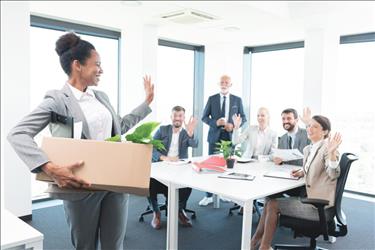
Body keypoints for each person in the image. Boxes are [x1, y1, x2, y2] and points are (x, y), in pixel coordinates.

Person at [7, 32, 154, 249]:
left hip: (114, 183)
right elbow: (17, 134)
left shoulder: (101, 97)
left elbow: (119, 127)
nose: (101, 69)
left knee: (114, 245)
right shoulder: (57, 100)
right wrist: (49, 168)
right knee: (85, 246)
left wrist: (146, 103)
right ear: (78, 65)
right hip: (80, 187)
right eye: (97, 64)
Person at [251, 115, 342, 250]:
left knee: (273, 205)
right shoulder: (309, 149)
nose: (310, 129)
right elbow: (314, 167)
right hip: (310, 196)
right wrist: (303, 172)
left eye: (315, 126)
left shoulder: (327, 148)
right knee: (270, 200)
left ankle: (263, 246)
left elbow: (333, 173)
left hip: (320, 207)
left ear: (325, 132)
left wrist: (333, 152)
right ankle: (256, 243)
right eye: (309, 126)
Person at [199, 75, 247, 206]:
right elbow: (204, 117)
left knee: (227, 166)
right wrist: (215, 122)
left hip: (230, 136)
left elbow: (244, 118)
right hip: (214, 136)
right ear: (218, 83)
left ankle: (224, 193)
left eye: (226, 82)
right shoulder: (212, 98)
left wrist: (233, 125)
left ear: (231, 84)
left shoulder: (237, 100)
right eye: (222, 82)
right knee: (211, 165)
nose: (224, 84)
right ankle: (208, 195)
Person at [149, 106, 198, 229]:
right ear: (171, 117)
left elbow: (195, 144)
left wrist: (191, 133)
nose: (177, 118)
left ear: (183, 118)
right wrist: (163, 157)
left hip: (179, 168)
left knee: (187, 186)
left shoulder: (186, 132)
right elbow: (152, 147)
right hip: (162, 166)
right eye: (175, 116)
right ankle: (156, 212)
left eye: (180, 116)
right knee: (149, 184)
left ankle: (179, 210)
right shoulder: (162, 130)